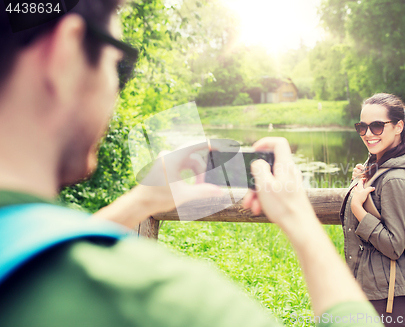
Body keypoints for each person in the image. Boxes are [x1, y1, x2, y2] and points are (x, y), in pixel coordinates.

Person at [0, 1, 382, 326]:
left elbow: (27, 242)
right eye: (120, 65)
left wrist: (142, 200)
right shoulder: (167, 302)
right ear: (65, 56)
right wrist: (300, 219)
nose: (115, 89)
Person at [342, 93, 405, 326]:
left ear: (398, 127)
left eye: (377, 126)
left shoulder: (397, 178)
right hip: (370, 295)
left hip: (389, 304)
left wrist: (359, 210)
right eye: (362, 127)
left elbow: (395, 245)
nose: (367, 134)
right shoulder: (380, 167)